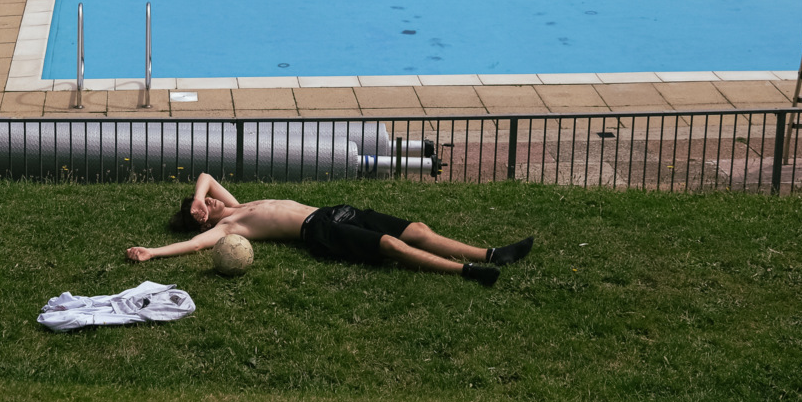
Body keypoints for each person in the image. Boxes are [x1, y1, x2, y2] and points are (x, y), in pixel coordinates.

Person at [126, 172, 532, 286]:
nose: (210, 203)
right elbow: (196, 245)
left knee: (417, 229)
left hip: (335, 211)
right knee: (389, 245)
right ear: (203, 219)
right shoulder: (229, 226)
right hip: (318, 231)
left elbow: (205, 176)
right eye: (203, 208)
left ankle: (493, 254)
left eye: (206, 201)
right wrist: (152, 252)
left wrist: (198, 198)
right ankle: (469, 271)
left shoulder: (232, 203)